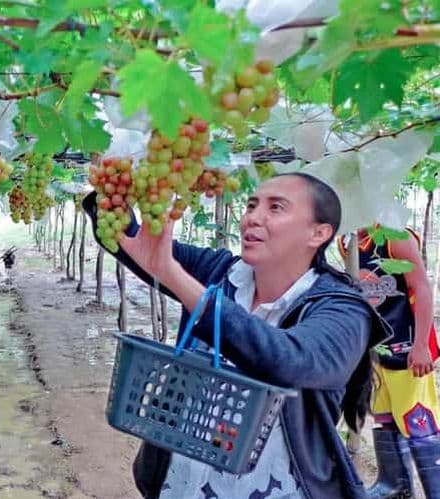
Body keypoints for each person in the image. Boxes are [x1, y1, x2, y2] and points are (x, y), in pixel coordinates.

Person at [82, 173, 391, 499]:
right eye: (251, 205)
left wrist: (176, 277)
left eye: (276, 208)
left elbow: (291, 360)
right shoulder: (219, 272)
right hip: (183, 484)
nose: (253, 218)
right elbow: (135, 244)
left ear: (319, 233)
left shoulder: (343, 309)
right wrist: (110, 192)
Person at [338, 227, 440, 498]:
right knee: (384, 418)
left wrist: (421, 346)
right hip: (375, 350)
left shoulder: (395, 237)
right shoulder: (347, 240)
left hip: (406, 347)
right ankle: (395, 486)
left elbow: (420, 286)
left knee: (418, 420)